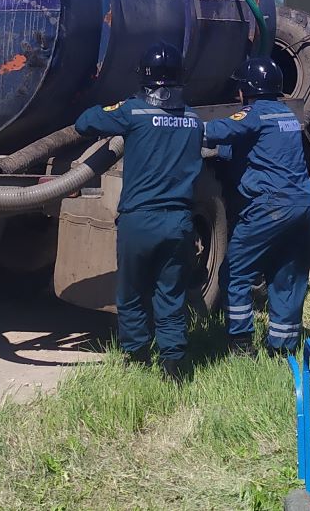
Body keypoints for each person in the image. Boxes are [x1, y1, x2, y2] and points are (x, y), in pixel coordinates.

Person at [74, 42, 205, 383]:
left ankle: (137, 359)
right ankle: (174, 366)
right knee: (170, 294)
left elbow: (85, 122)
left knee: (131, 293)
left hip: (140, 221)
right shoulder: (194, 120)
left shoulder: (132, 112)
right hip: (179, 222)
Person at [203, 55, 310, 356]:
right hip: (300, 204)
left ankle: (240, 344)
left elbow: (213, 132)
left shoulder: (254, 114)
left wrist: (178, 121)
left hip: (269, 207)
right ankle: (283, 349)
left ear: (245, 90)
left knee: (236, 272)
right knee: (286, 276)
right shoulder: (287, 115)